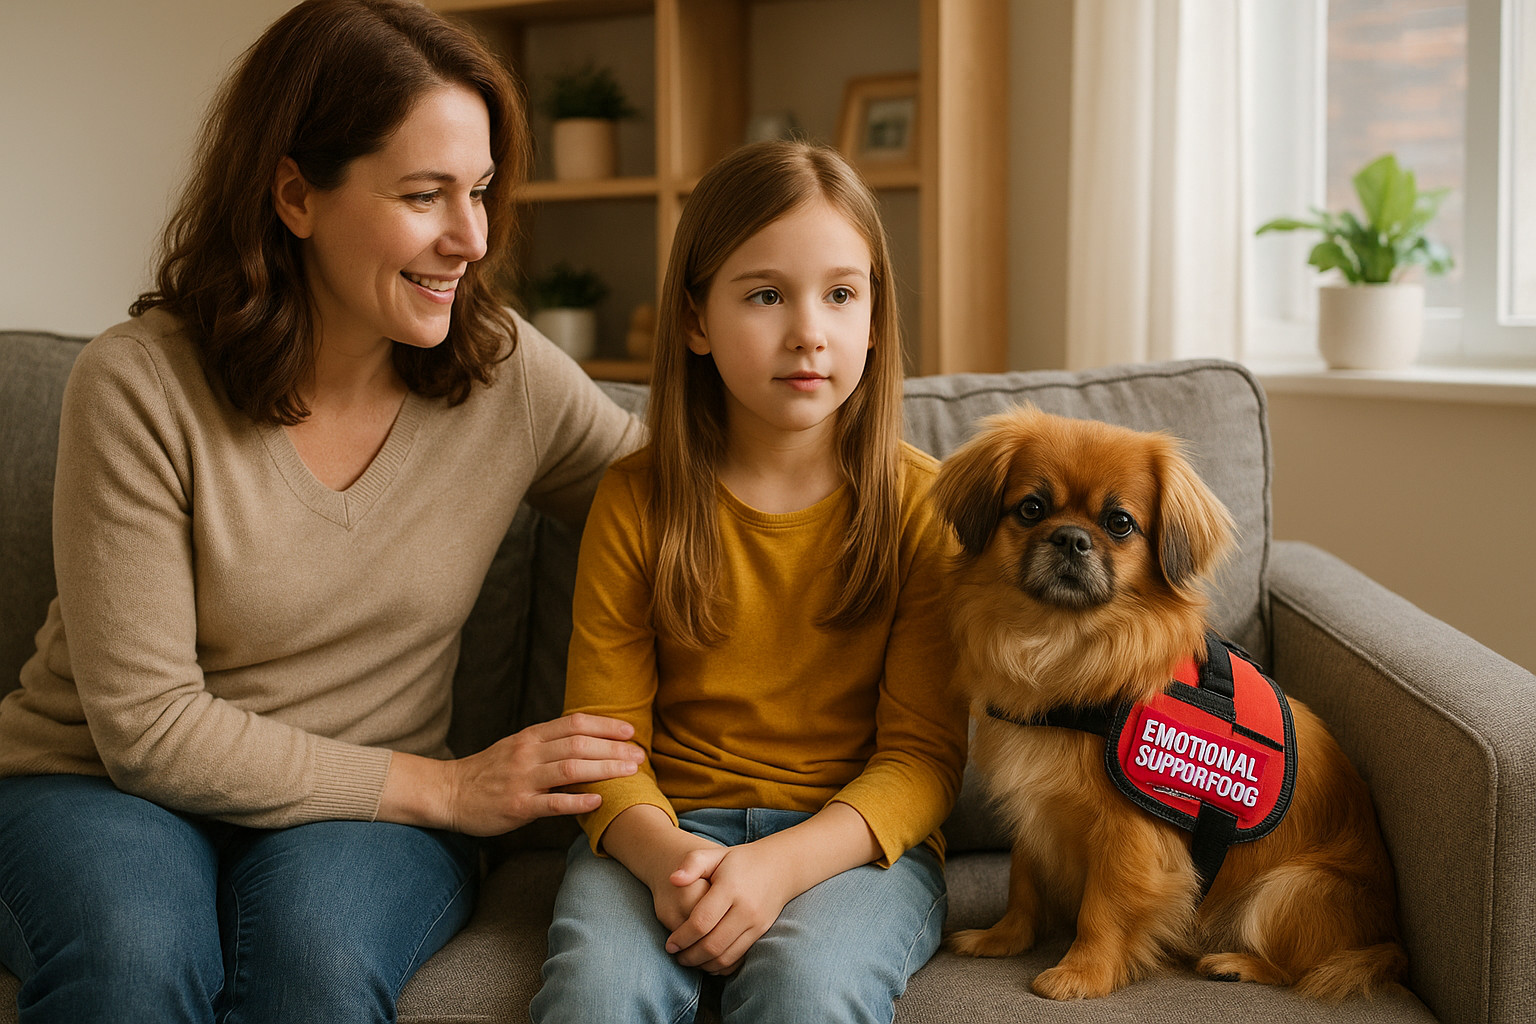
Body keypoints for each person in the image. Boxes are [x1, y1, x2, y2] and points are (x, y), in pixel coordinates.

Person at [0, 1, 646, 1021]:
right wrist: (449, 790)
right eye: (424, 195)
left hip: (358, 829)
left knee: (317, 965)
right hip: (101, 787)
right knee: (135, 960)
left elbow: (699, 498)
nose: (471, 238)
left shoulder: (506, 376)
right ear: (295, 194)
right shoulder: (137, 385)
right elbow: (148, 729)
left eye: (479, 192)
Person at [529, 140, 970, 1024]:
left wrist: (777, 869)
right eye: (766, 294)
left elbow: (923, 761)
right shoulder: (635, 500)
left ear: (875, 318)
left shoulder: (925, 506)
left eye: (841, 294)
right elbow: (606, 745)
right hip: (660, 831)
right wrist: (672, 862)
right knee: (595, 996)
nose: (809, 329)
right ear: (694, 320)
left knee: (807, 994)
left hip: (848, 848)